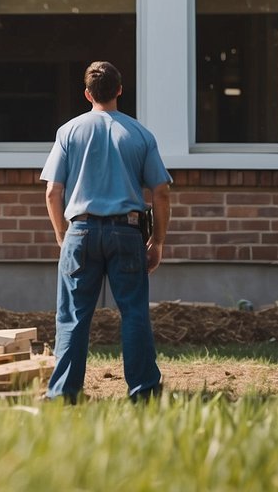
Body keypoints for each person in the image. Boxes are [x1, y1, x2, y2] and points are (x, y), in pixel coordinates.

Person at [40, 61, 172, 403]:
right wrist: (156, 240)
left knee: (72, 316)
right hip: (127, 233)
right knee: (134, 312)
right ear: (119, 90)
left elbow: (53, 191)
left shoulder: (68, 132)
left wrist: (62, 236)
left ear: (87, 94)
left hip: (80, 231)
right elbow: (161, 191)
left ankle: (64, 393)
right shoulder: (140, 134)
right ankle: (143, 392)